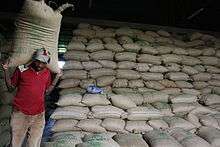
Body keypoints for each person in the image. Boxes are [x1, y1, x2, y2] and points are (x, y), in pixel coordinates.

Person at [1, 48, 62, 147]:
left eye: (43, 63)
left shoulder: (47, 73)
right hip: (20, 113)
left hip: (39, 115)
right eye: (38, 61)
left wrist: (57, 78)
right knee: (15, 143)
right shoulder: (21, 69)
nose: (40, 65)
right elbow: (11, 88)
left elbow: (46, 92)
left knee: (34, 144)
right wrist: (6, 71)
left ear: (47, 63)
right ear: (34, 59)